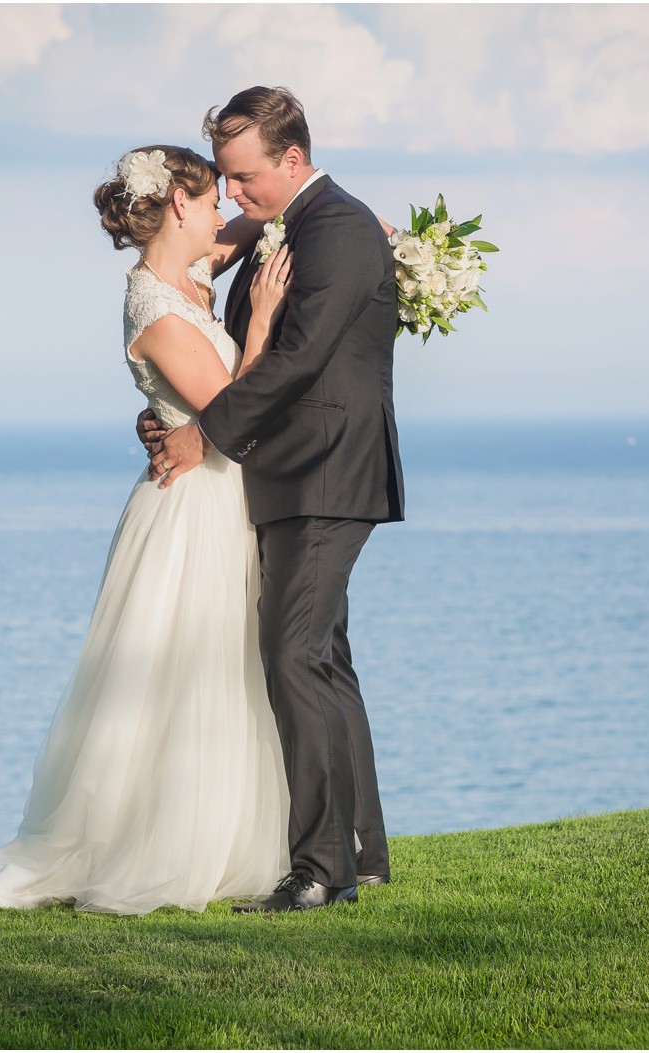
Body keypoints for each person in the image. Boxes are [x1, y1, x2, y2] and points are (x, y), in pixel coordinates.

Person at [0, 144, 297, 914]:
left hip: (218, 499)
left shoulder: (186, 282)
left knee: (224, 666)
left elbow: (241, 235)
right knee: (180, 672)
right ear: (177, 207)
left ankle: (228, 839)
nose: (223, 208)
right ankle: (159, 845)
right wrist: (260, 321)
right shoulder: (153, 309)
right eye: (209, 199)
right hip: (189, 507)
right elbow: (233, 405)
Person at [145, 86, 404, 913]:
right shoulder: (284, 228)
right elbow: (226, 353)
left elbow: (295, 360)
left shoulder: (342, 230)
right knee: (322, 654)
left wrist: (204, 434)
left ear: (292, 159)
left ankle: (319, 869)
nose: (234, 195)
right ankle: (359, 852)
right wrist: (172, 413)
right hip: (287, 471)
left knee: (291, 655)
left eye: (245, 177)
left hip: (328, 470)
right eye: (224, 177)